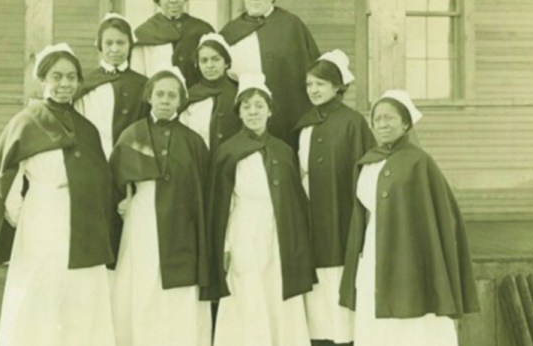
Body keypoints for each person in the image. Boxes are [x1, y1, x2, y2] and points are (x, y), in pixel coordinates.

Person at [0, 43, 117, 346]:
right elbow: (4, 175)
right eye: (57, 76)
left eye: (71, 77)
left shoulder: (86, 128)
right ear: (42, 79)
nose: (65, 84)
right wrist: (21, 214)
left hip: (84, 222)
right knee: (41, 288)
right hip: (43, 216)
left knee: (80, 292)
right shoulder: (27, 121)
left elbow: (100, 178)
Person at [338, 90, 480, 346]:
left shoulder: (419, 162)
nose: (382, 124)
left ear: (405, 123)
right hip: (373, 251)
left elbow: (441, 216)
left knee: (412, 318)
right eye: (377, 119)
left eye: (389, 118)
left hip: (410, 256)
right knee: (376, 315)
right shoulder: (367, 163)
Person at [204, 72, 315, 346]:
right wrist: (225, 245)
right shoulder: (228, 151)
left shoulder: (282, 150)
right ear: (239, 113)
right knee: (248, 288)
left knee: (277, 288)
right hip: (244, 229)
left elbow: (294, 201)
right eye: (246, 106)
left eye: (259, 105)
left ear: (270, 110)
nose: (253, 112)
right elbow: (221, 204)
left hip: (278, 231)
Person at [108, 67, 212, 346]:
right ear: (149, 97)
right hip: (142, 220)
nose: (165, 100)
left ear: (181, 100)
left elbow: (204, 190)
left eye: (172, 95)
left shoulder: (194, 142)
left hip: (182, 227)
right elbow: (113, 183)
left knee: (178, 291)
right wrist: (123, 199)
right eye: (160, 94)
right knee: (142, 283)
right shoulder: (131, 135)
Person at [293, 50, 376, 346]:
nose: (313, 90)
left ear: (337, 86)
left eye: (320, 84)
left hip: (341, 213)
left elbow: (364, 171)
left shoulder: (352, 122)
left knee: (338, 275)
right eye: (309, 84)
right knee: (317, 284)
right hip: (311, 213)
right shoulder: (305, 125)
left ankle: (344, 339)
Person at [220, 0, 320, 146]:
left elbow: (314, 67)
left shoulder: (291, 25)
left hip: (286, 110)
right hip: (246, 112)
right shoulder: (231, 30)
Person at [75, 13, 148, 159]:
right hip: (95, 158)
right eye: (109, 43)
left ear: (130, 44)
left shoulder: (143, 84)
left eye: (121, 43)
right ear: (100, 45)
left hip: (132, 160)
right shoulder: (85, 84)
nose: (115, 49)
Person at [132, 0, 215, 87]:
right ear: (158, 0)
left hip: (196, 97)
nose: (173, 0)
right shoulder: (144, 33)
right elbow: (137, 78)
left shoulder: (202, 30)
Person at [178, 32, 241, 152]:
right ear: (197, 64)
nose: (210, 65)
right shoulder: (189, 96)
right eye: (204, 60)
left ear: (226, 63)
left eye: (216, 59)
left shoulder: (238, 95)